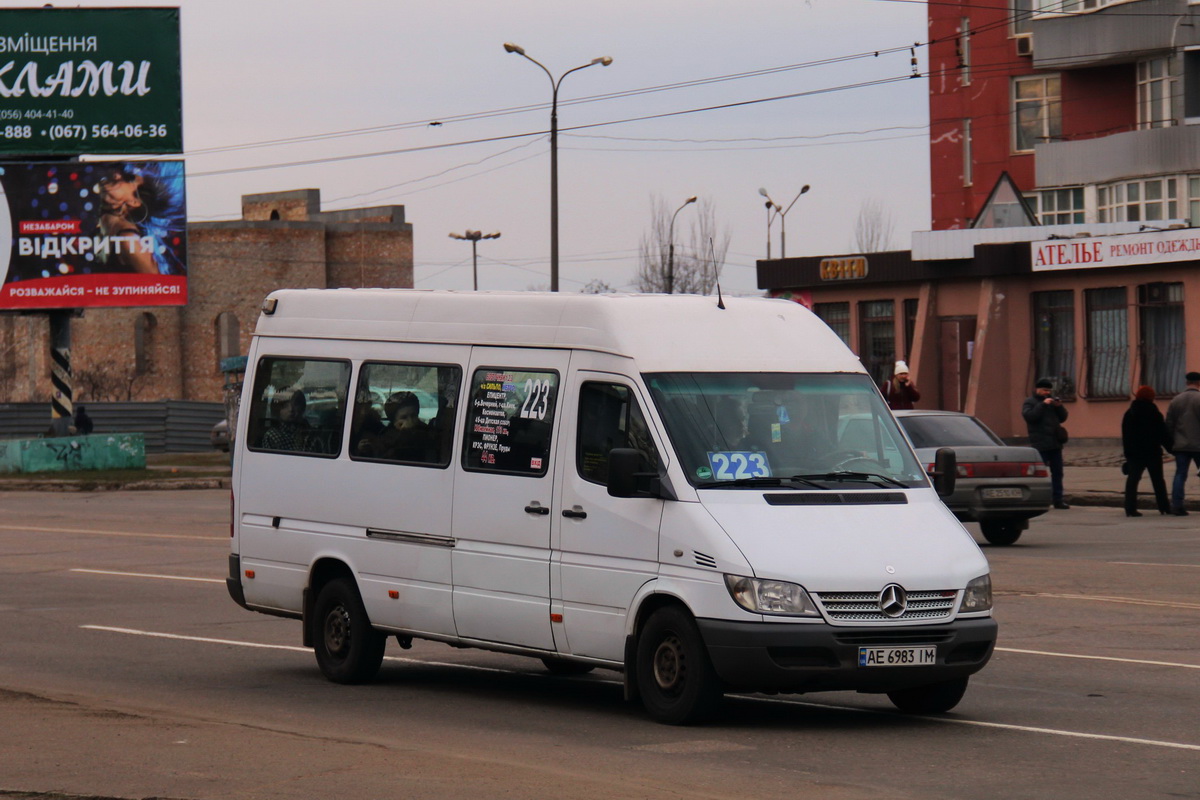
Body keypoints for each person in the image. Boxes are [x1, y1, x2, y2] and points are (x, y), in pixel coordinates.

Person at [1121, 386, 1171, 517]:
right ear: (1151, 398)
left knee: (1133, 480)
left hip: (1135, 454)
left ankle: (1130, 508)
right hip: (1152, 452)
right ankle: (1164, 507)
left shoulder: (1129, 413)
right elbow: (1162, 433)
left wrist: (1128, 453)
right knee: (1158, 481)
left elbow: (1126, 435)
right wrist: (1172, 448)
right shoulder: (1154, 413)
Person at [1022, 377, 1069, 509]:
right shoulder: (1030, 402)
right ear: (1037, 389)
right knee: (1040, 474)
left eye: (1048, 390)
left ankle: (1058, 499)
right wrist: (1043, 404)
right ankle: (1039, 498)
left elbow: (1063, 417)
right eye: (1044, 390)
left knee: (1058, 472)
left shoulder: (1052, 402)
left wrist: (1059, 407)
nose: (1046, 393)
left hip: (1055, 443)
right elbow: (1030, 417)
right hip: (1040, 444)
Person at [1164, 371, 1200, 515]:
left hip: (1181, 445)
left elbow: (1169, 424)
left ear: (1186, 383)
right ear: (1198, 383)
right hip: (1198, 445)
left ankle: (1177, 505)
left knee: (1180, 474)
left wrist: (1171, 443)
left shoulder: (1176, 400)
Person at [373, 391, 435, 462]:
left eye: (413, 416)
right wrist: (404, 434)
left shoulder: (426, 432)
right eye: (404, 417)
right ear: (394, 421)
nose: (410, 421)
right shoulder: (385, 437)